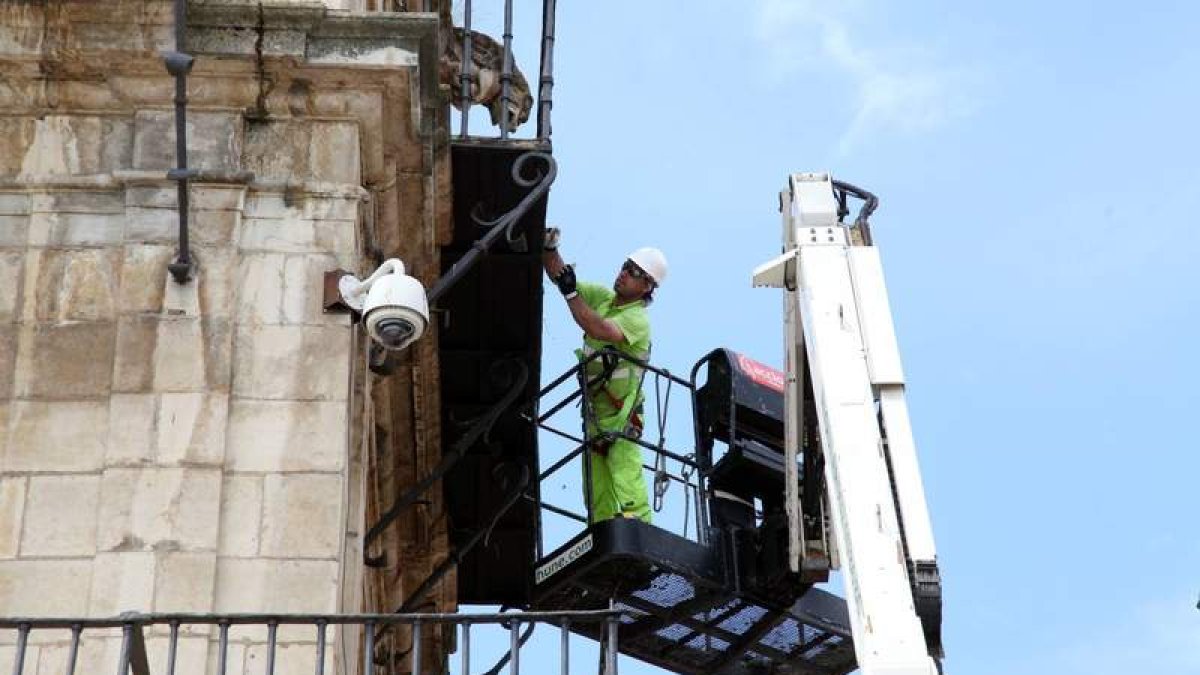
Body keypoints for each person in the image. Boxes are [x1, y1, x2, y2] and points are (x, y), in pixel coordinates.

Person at [541, 227, 668, 524]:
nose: (624, 273)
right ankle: (602, 533)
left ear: (647, 286)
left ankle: (638, 529)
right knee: (595, 484)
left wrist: (571, 293)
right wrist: (550, 249)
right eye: (626, 266)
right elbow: (561, 277)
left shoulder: (637, 319)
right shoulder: (602, 298)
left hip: (622, 414)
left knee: (624, 472)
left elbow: (599, 329)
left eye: (634, 272)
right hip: (596, 413)